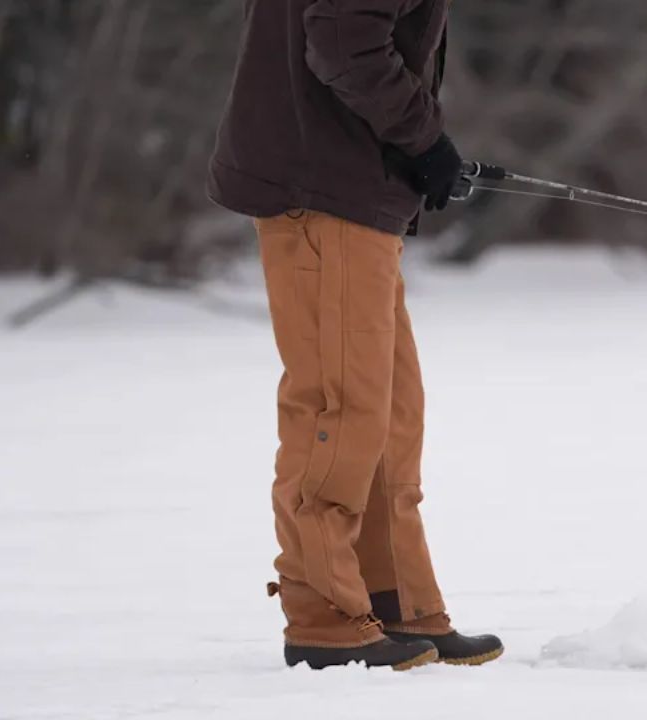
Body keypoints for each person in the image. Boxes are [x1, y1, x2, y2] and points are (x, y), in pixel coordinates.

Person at [207, 0, 502, 672]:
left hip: (354, 188)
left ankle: (391, 599)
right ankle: (323, 614)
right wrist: (424, 139)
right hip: (320, 187)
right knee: (339, 407)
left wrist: (420, 148)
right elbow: (343, 40)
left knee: (390, 412)